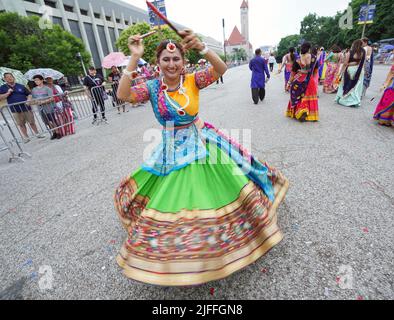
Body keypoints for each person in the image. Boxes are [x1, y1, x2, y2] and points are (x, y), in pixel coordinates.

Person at [115, 30, 289, 286]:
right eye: (166, 59)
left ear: (183, 61)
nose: (172, 64)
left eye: (176, 59)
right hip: (172, 146)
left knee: (217, 184)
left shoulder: (193, 80)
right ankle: (179, 252)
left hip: (201, 140)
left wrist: (202, 47)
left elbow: (221, 68)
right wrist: (134, 57)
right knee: (174, 193)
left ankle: (218, 244)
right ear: (158, 62)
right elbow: (122, 95)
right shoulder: (152, 87)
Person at [0, 73, 44, 142]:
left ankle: (37, 134)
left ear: (13, 77)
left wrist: (28, 100)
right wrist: (7, 93)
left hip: (26, 107)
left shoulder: (20, 86)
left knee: (32, 122)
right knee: (21, 124)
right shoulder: (3, 88)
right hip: (15, 109)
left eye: (11, 77)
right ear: (5, 79)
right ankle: (26, 137)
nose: (10, 78)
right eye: (7, 77)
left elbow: (29, 94)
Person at [285, 42, 319, 122]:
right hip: (309, 80)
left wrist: (288, 83)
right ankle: (309, 113)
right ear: (309, 48)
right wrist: (312, 79)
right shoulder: (314, 57)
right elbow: (315, 71)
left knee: (297, 95)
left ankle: (300, 111)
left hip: (299, 78)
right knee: (308, 96)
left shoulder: (298, 59)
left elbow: (293, 73)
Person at [335, 39, 366, 108]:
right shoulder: (363, 52)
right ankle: (355, 101)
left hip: (350, 70)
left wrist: (341, 72)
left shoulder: (350, 52)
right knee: (356, 86)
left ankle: (345, 100)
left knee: (347, 84)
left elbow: (345, 63)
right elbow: (363, 63)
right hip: (360, 70)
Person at [29, 75, 60, 140]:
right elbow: (34, 99)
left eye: (37, 80)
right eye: (35, 80)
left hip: (49, 107)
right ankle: (53, 132)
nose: (36, 81)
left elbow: (52, 98)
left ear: (42, 80)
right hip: (40, 109)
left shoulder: (47, 88)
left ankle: (58, 132)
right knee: (47, 121)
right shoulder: (34, 90)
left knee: (52, 120)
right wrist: (33, 102)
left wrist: (43, 101)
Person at [373, 63, 394, 128]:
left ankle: (388, 119)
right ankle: (386, 119)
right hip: (392, 86)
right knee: (388, 100)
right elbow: (391, 73)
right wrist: (385, 84)